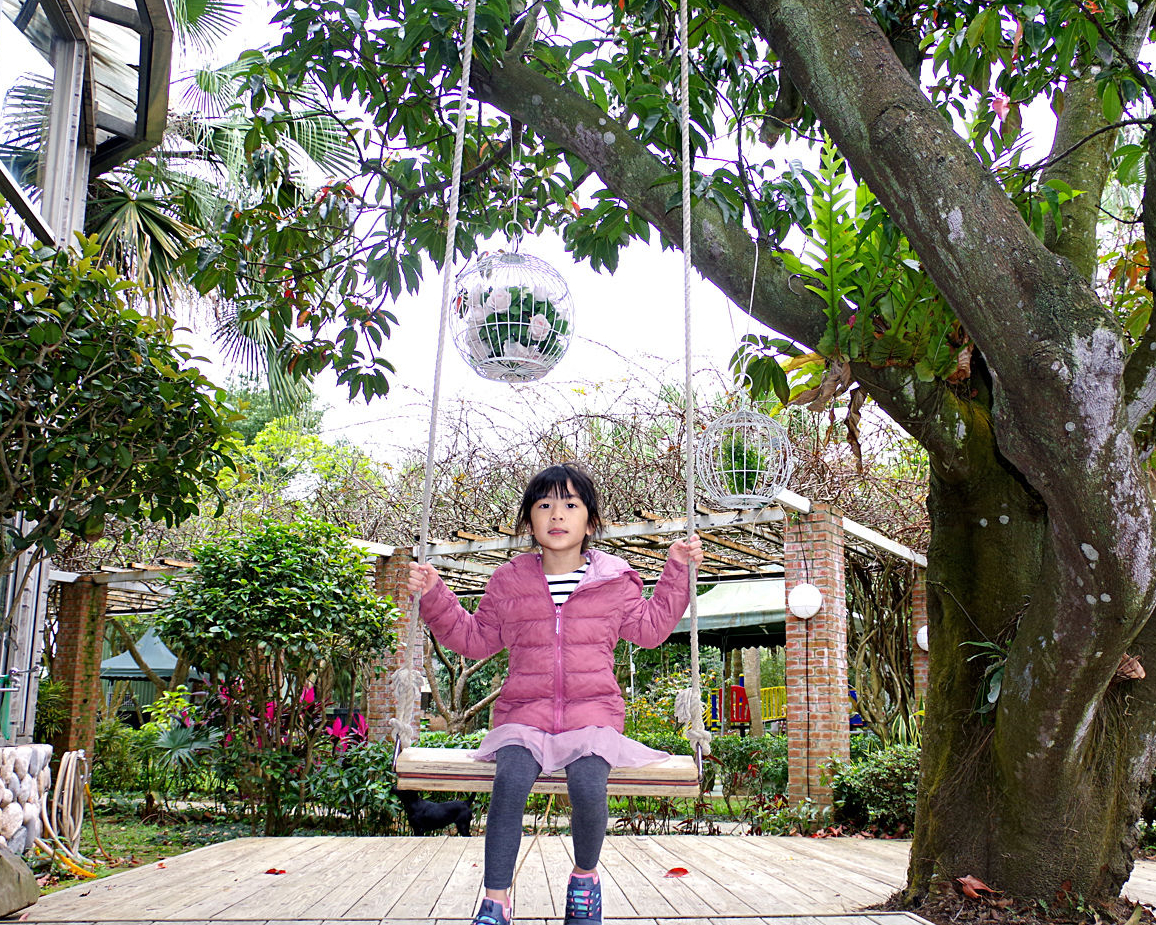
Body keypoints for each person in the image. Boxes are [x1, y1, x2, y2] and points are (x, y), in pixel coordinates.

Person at [407, 463, 703, 925]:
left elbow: (649, 630)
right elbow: (475, 638)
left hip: (592, 714)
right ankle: (496, 901)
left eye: (570, 504)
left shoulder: (613, 580)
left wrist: (678, 572)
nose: (557, 515)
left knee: (588, 785)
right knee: (509, 784)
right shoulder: (509, 582)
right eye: (544, 505)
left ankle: (584, 880)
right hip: (523, 713)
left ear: (590, 520)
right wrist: (434, 595)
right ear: (529, 521)